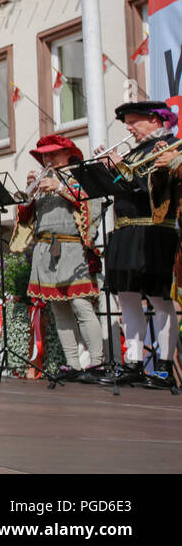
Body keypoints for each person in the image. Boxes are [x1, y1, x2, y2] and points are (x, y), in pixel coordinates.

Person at [99, 101, 181, 388]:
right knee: (127, 297)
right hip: (125, 231)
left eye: (134, 122)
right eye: (128, 123)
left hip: (155, 231)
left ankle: (163, 367)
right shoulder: (134, 152)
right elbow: (122, 189)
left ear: (156, 121)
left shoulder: (173, 146)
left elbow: (151, 188)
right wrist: (109, 171)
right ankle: (132, 362)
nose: (129, 128)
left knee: (159, 299)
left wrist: (121, 166)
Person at [14, 134, 104, 383]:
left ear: (69, 154)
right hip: (45, 250)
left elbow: (92, 209)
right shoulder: (44, 180)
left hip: (72, 248)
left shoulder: (81, 176)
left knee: (81, 306)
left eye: (53, 154)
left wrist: (61, 188)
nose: (48, 159)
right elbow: (25, 220)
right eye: (45, 155)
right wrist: (28, 194)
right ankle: (72, 364)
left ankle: (97, 363)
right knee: (59, 309)